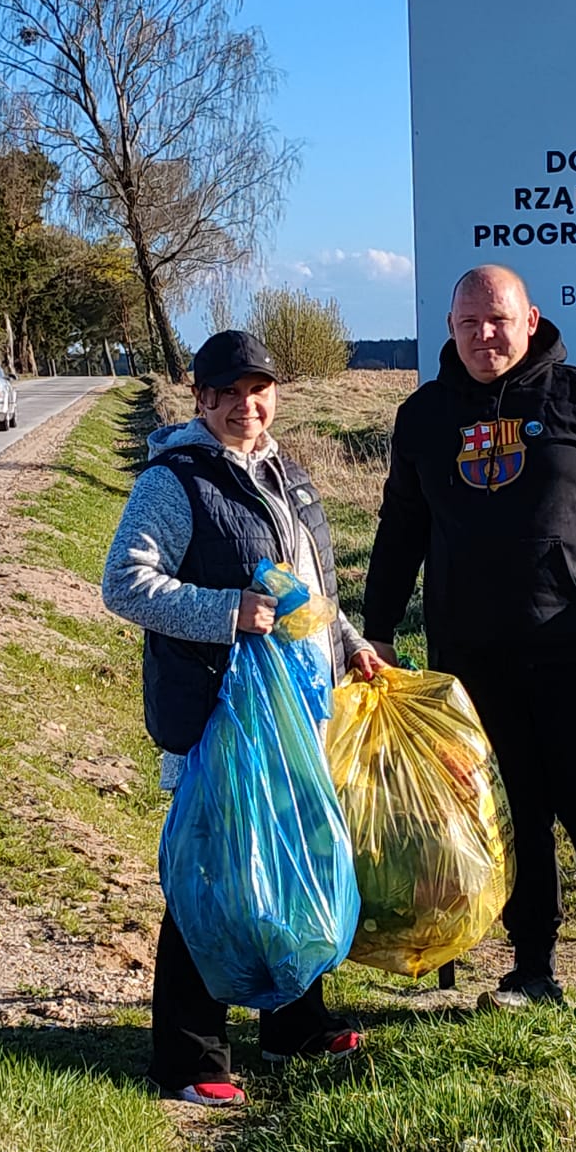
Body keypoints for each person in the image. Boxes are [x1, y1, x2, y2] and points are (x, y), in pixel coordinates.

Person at [361, 265, 576, 1031]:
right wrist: (377, 628)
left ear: (531, 320)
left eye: (498, 320)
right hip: (474, 661)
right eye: (469, 323)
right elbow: (400, 531)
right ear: (449, 329)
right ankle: (532, 967)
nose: (484, 336)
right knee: (511, 816)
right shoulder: (424, 418)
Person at [102, 329, 386, 1105]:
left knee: (295, 862)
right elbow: (124, 582)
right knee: (213, 874)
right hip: (218, 716)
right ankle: (189, 1057)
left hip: (297, 713)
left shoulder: (288, 476)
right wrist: (228, 610)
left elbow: (310, 592)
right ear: (199, 398)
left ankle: (294, 1025)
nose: (244, 406)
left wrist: (351, 644)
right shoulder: (175, 481)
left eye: (257, 390)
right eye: (225, 393)